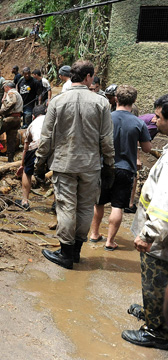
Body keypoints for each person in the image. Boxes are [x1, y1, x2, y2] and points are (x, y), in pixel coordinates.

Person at [35, 60, 115, 269]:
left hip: (64, 164)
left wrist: (39, 164)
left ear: (72, 77)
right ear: (88, 77)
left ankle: (66, 254)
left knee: (66, 208)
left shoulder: (57, 102)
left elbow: (46, 138)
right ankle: (76, 252)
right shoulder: (101, 103)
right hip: (91, 165)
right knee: (86, 208)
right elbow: (106, 139)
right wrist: (109, 165)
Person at [121, 97, 168, 350]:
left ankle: (156, 330)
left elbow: (165, 203)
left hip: (160, 239)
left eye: (159, 116)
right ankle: (155, 314)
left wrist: (148, 234)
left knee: (155, 280)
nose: (154, 120)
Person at [89, 85, 152, 250]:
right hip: (126, 169)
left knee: (99, 203)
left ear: (115, 99)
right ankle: (110, 241)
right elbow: (147, 148)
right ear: (134, 101)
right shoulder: (138, 123)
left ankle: (94, 234)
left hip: (104, 166)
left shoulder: (106, 118)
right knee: (117, 206)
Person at [17, 105, 46, 210]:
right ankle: (56, 203)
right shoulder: (51, 120)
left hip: (36, 145)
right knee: (57, 173)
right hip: (54, 147)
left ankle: (24, 201)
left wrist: (22, 165)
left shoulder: (31, 125)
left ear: (33, 116)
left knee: (27, 172)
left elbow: (26, 147)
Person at [0, 81, 23, 162]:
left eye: (4, 88)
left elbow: (12, 102)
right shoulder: (17, 93)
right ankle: (10, 159)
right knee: (11, 140)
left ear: (7, 87)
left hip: (10, 118)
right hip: (17, 118)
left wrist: (2, 111)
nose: (4, 90)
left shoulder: (11, 93)